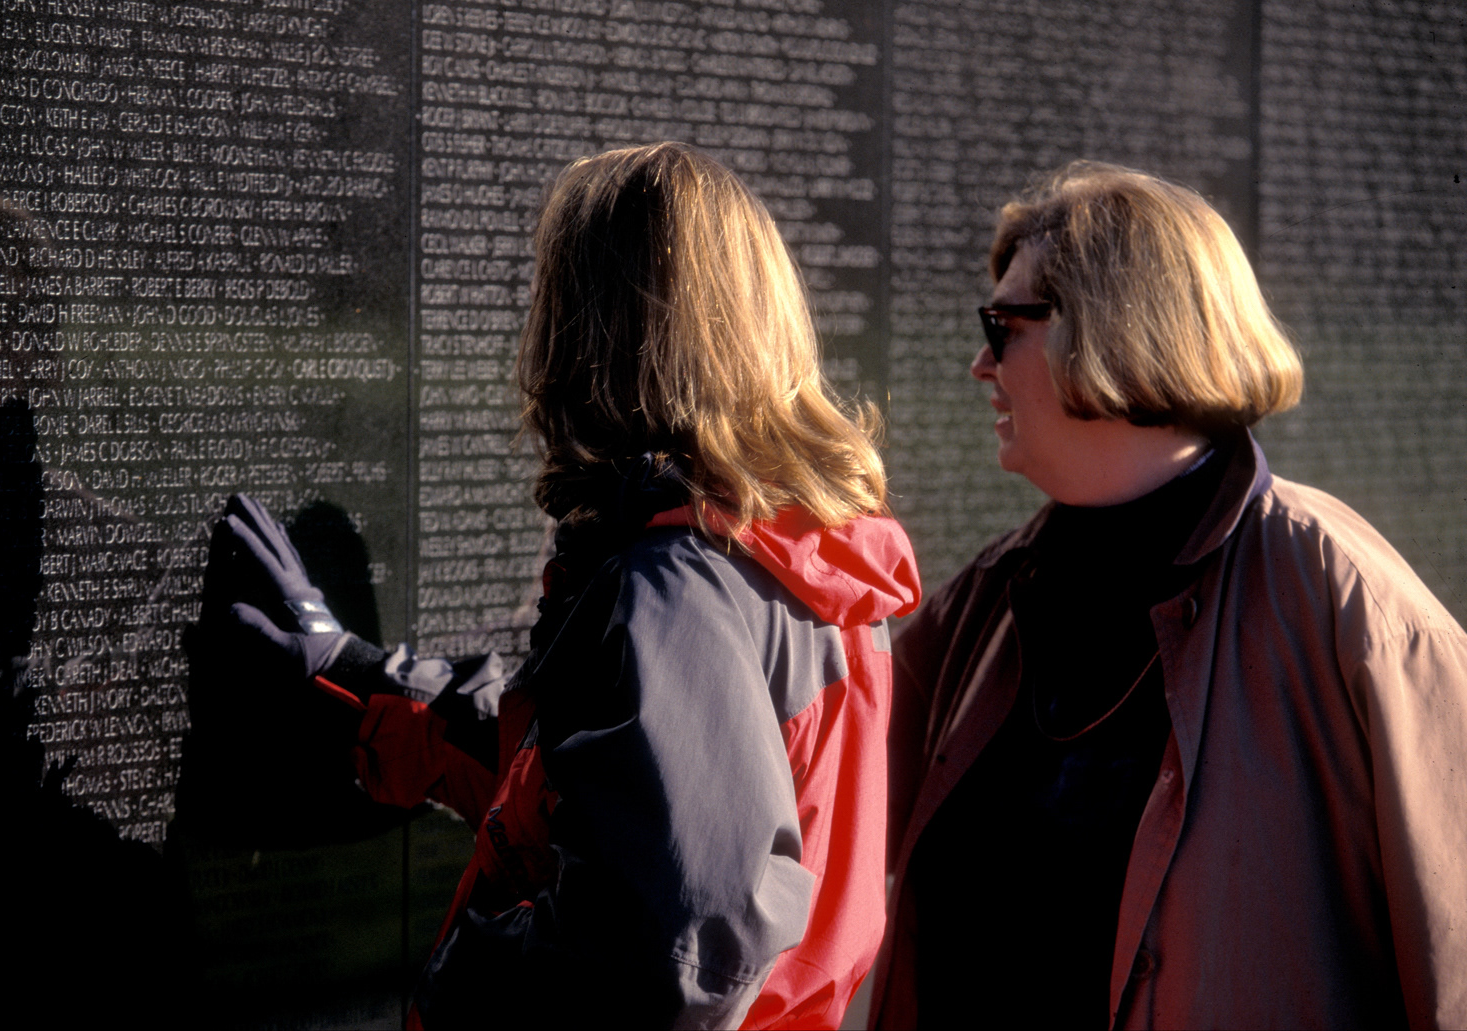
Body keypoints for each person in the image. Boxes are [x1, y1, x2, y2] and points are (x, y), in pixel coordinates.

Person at [193, 142, 921, 1028]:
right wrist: (358, 678)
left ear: (599, 330)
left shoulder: (679, 586)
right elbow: (599, 785)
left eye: (551, 290)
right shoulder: (795, 554)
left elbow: (672, 946)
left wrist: (459, 980)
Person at [871, 162, 1467, 1029]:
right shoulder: (987, 601)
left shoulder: (1350, 605)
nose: (977, 364)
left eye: (1003, 327)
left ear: (1113, 329)